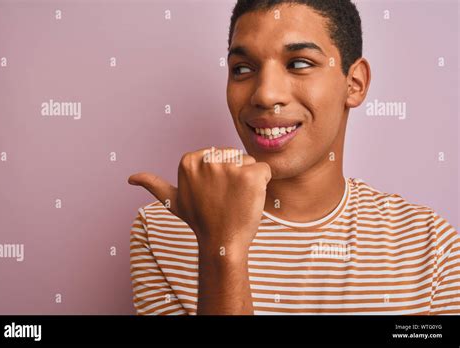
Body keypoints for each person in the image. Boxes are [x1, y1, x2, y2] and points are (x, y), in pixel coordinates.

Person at [128, 0, 459, 315]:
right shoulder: (160, 232)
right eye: (242, 69)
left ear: (354, 84)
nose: (265, 94)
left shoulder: (432, 247)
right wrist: (221, 248)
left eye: (299, 63)